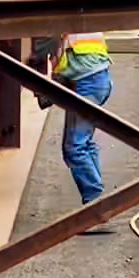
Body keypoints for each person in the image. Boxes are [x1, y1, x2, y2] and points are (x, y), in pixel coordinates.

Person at [41, 32, 113, 203]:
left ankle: (95, 202)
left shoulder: (67, 24)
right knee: (83, 144)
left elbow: (52, 50)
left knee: (75, 148)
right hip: (97, 81)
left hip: (88, 84)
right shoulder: (82, 21)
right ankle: (97, 199)